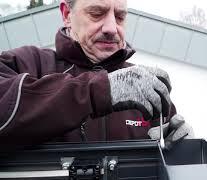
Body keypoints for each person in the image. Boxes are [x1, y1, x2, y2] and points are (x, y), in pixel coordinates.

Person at [0, 0, 193, 150]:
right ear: (67, 14)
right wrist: (99, 91)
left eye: (119, 17)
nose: (111, 28)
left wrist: (183, 148)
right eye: (96, 13)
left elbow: (170, 160)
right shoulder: (27, 63)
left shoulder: (144, 84)